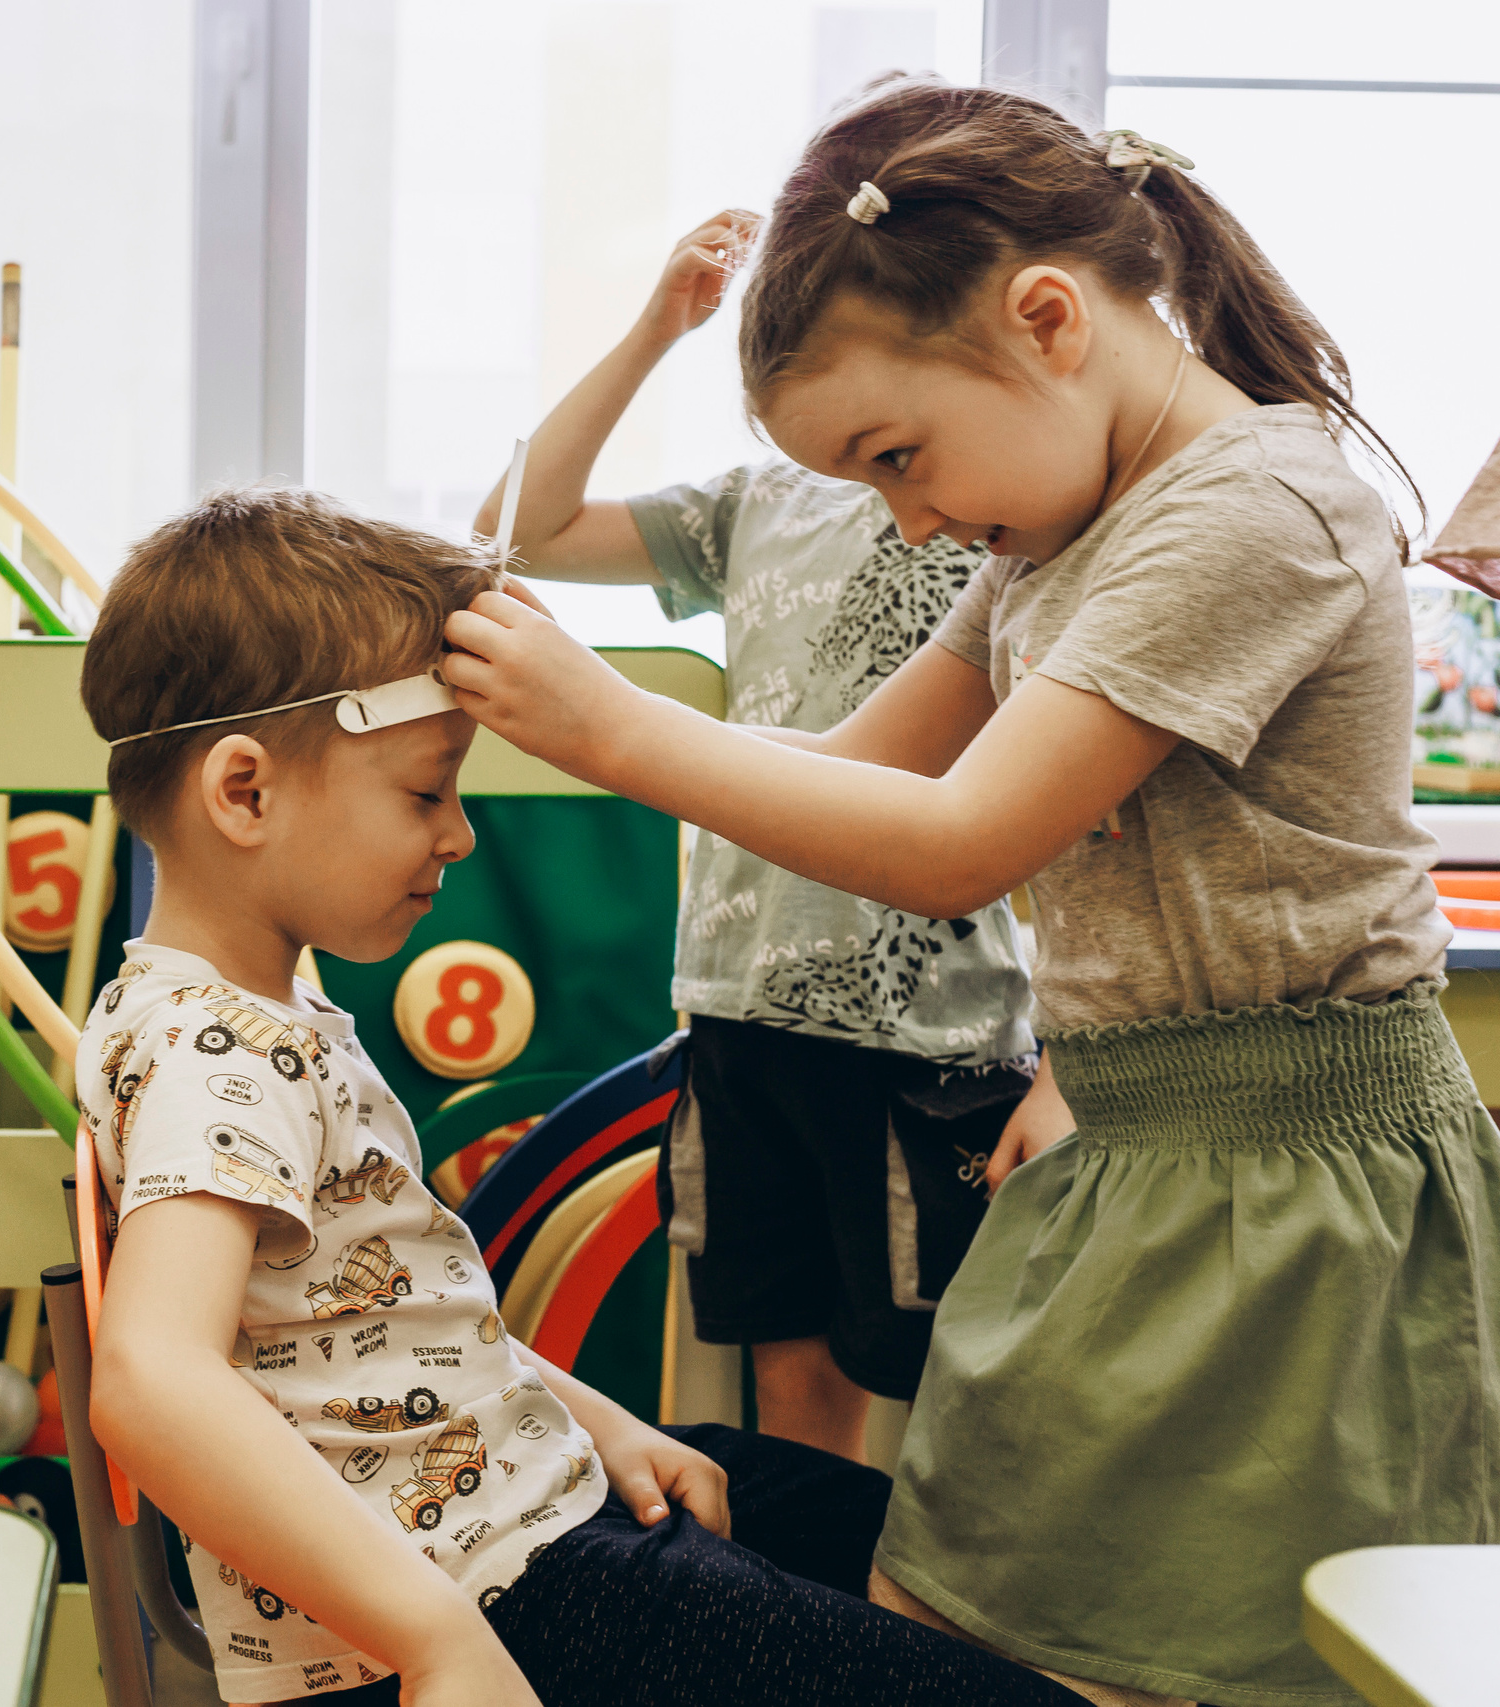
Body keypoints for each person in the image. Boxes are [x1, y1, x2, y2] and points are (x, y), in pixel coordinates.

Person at [441, 77, 1500, 1707]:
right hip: (1139, 1148)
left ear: (1050, 319)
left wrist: (615, 725)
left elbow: (958, 841)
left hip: (1285, 1203)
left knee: (1197, 1656)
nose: (913, 518)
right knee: (959, 1613)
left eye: (900, 454)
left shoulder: (1254, 509)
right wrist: (1094, 1058)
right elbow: (863, 770)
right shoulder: (1049, 539)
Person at [76, 485, 1082, 1706]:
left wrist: (604, 1426)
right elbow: (148, 1378)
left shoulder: (264, 1011)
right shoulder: (207, 1050)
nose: (457, 838)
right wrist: (438, 1642)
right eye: (423, 793)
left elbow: (388, 1325)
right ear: (243, 792)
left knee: (910, 1535)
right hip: (489, 1588)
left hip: (519, 1511)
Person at [472, 210, 1046, 1460]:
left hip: (928, 1024)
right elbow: (515, 529)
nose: (902, 498)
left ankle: (916, 1638)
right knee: (788, 1376)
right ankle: (809, 1625)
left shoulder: (1004, 512)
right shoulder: (755, 503)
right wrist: (649, 335)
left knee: (944, 1382)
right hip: (740, 997)